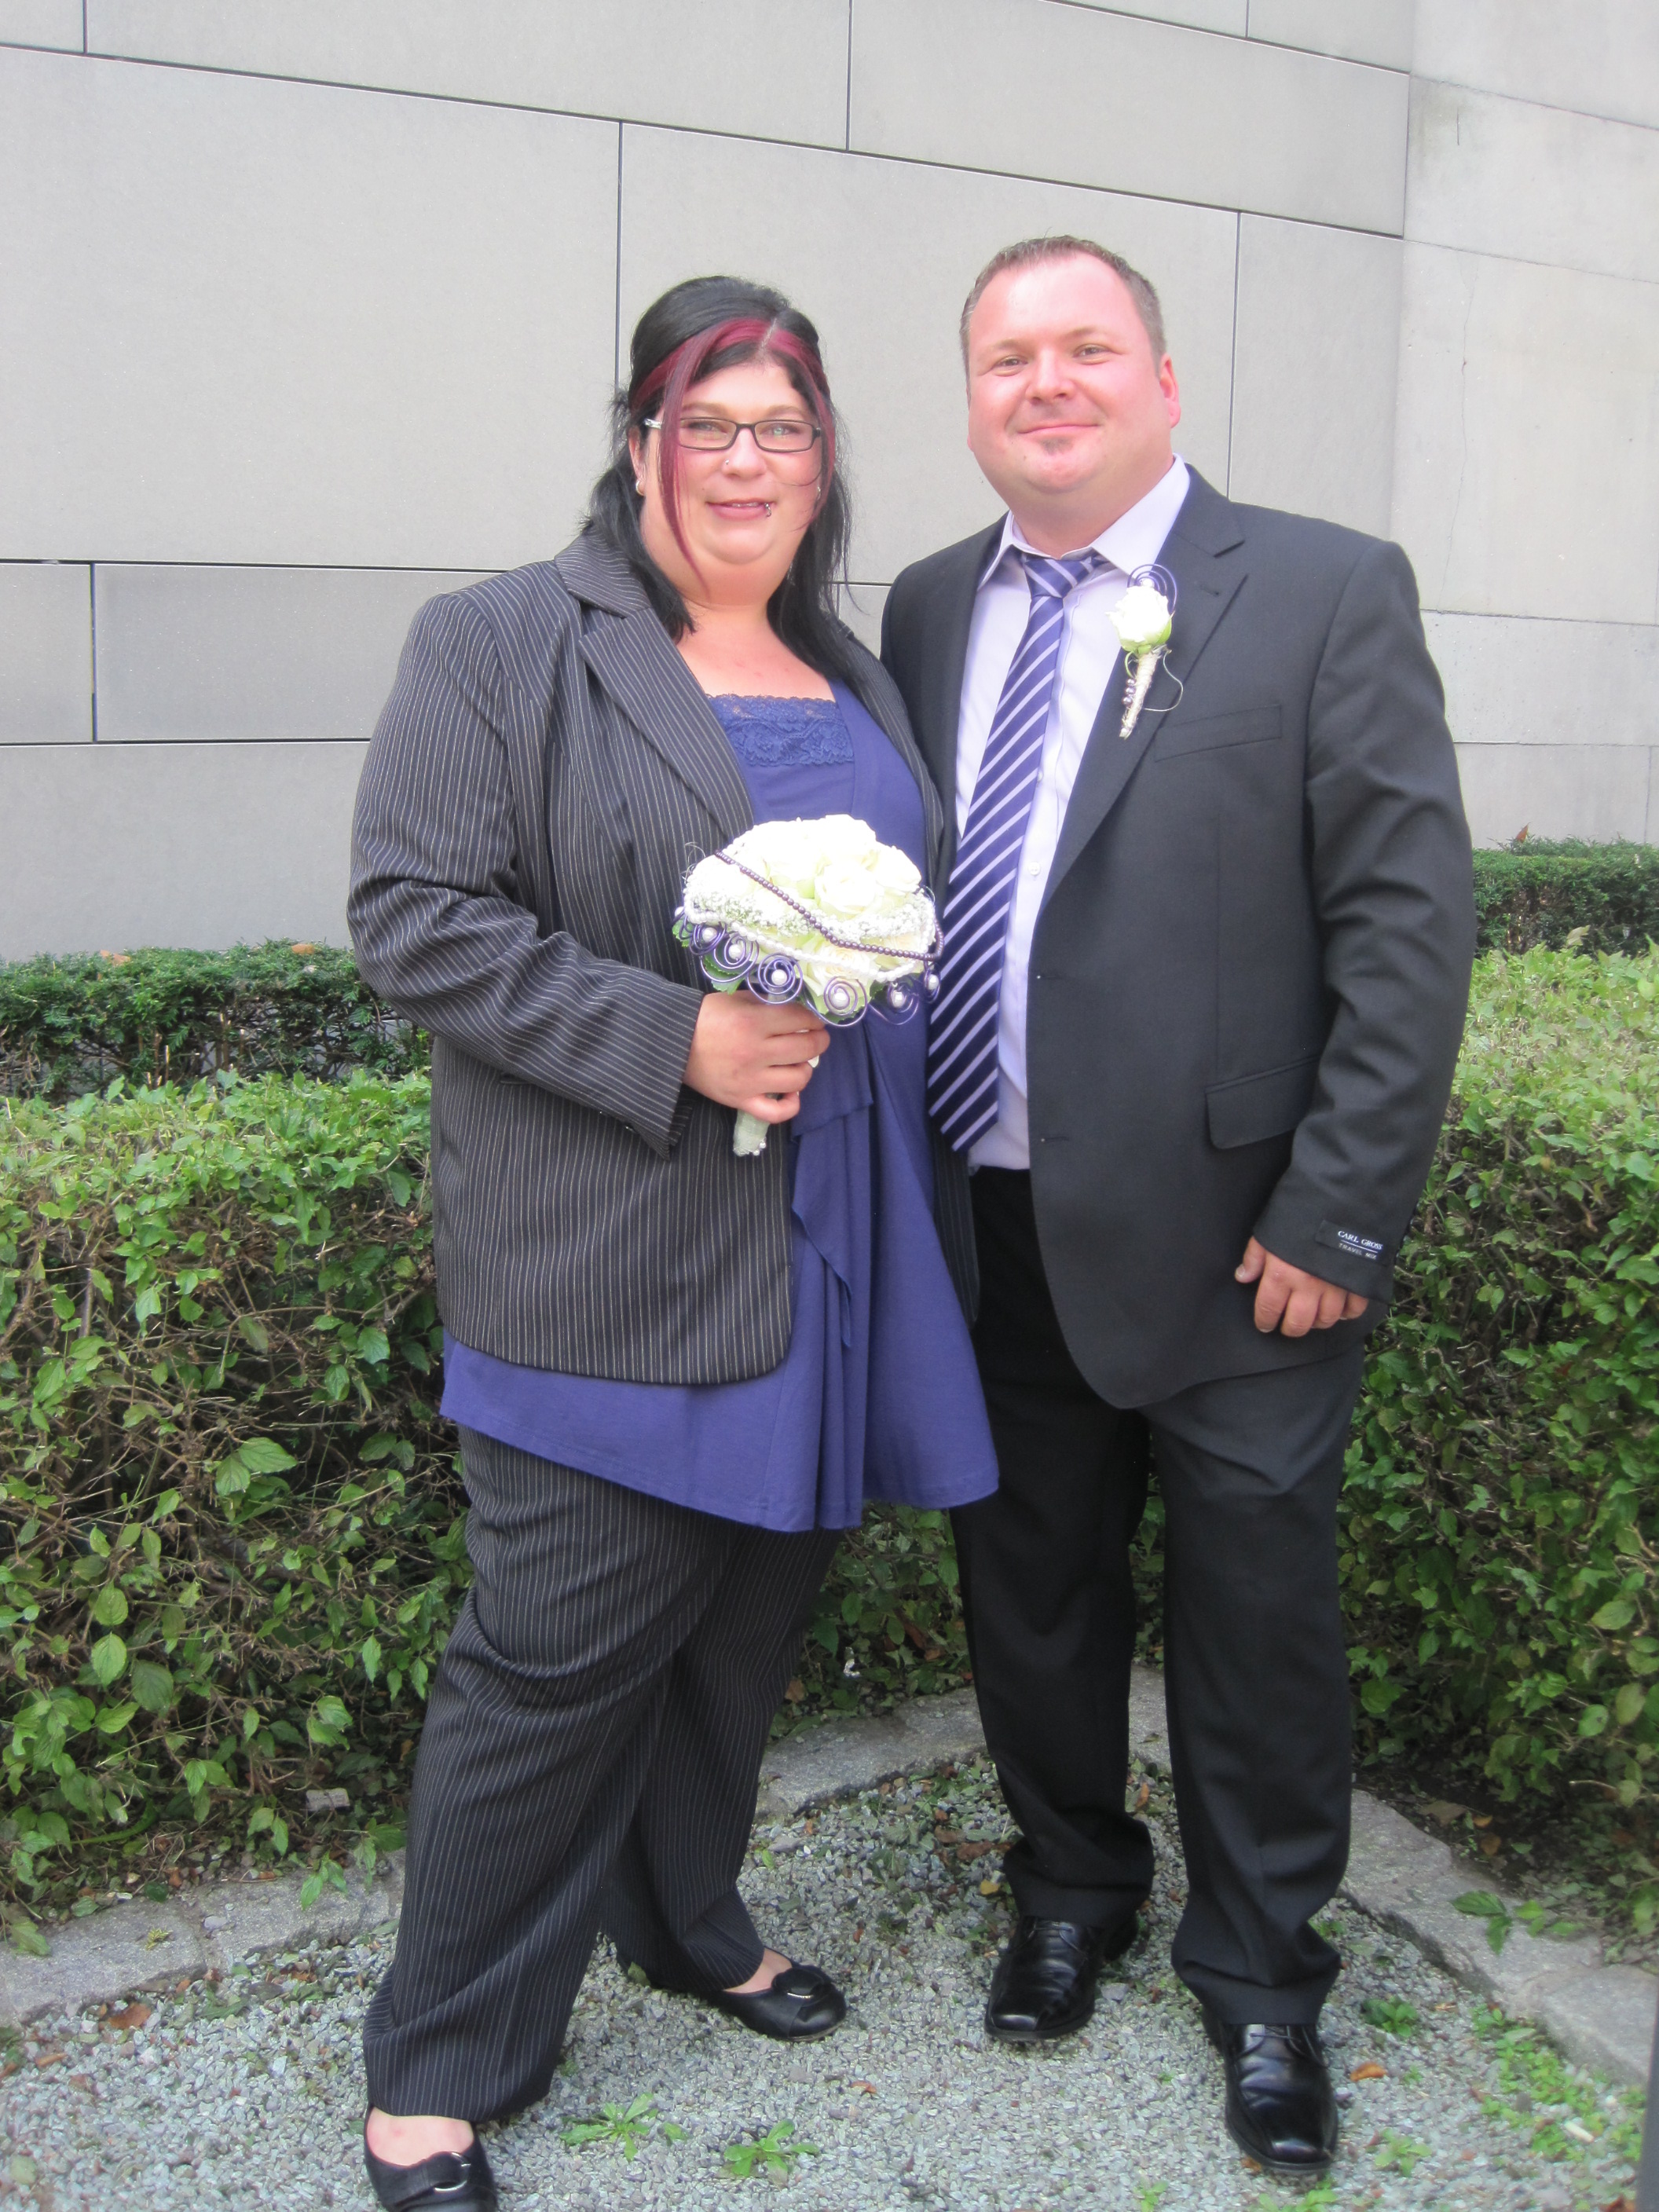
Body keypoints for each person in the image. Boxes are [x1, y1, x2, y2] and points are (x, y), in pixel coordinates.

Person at [347, 275, 998, 2212]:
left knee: (737, 1632)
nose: (742, 459)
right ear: (637, 444)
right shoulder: (499, 642)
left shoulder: (849, 663)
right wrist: (675, 1037)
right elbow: (413, 913)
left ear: (824, 457)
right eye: (703, 421)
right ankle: (438, 2065)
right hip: (612, 1246)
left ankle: (686, 1917)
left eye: (779, 425)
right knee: (554, 1658)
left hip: (836, 1229)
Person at [881, 236, 1474, 2178]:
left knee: (1257, 1620)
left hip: (1247, 1250)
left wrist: (1340, 1213)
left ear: (1163, 381)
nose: (1044, 383)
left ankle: (1265, 1976)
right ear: (973, 398)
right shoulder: (931, 603)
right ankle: (1070, 1887)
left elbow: (1405, 926)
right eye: (1006, 358)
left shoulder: (1319, 587)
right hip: (993, 1223)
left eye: (1085, 348)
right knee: (1031, 1598)